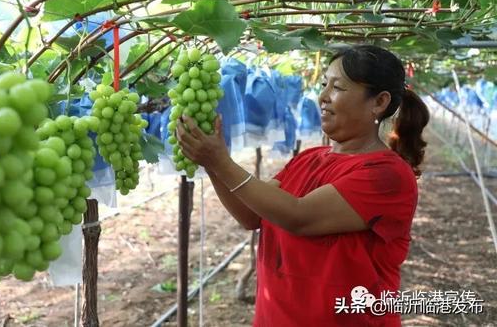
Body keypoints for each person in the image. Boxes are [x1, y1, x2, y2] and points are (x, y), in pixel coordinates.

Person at [176, 45, 430, 326]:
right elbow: (251, 215)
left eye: (338, 88)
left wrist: (221, 161)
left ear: (379, 102)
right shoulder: (309, 159)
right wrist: (212, 162)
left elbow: (299, 216)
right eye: (324, 85)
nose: (323, 97)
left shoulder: (388, 175)